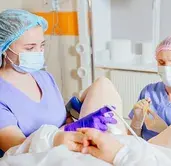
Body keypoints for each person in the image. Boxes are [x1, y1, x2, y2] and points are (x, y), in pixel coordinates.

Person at [0, 9, 125, 153]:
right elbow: (16, 148)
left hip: (66, 154)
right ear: (4, 48)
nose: (39, 52)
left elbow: (60, 119)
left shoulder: (44, 78)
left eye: (42, 45)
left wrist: (73, 117)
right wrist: (65, 134)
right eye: (30, 48)